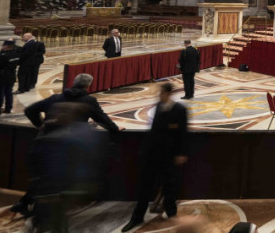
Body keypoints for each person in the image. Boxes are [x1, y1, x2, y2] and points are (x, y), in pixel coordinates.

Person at [15, 73, 122, 218]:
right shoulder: (88, 101)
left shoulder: (56, 98)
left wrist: (40, 125)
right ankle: (42, 213)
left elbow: (29, 110)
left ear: (74, 82)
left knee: (45, 176)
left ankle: (25, 203)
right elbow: (103, 119)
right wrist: (115, 130)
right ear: (87, 86)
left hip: (46, 140)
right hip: (70, 145)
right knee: (63, 177)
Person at [122, 83, 188, 231]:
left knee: (170, 188)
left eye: (162, 93)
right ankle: (137, 218)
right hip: (152, 155)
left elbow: (183, 134)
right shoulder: (158, 106)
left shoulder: (179, 110)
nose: (159, 95)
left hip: (170, 156)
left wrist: (181, 154)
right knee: (145, 188)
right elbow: (153, 132)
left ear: (168, 94)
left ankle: (172, 216)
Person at [0, 39, 21, 115]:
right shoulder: (16, 54)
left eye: (4, 45)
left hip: (3, 76)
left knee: (1, 94)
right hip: (12, 75)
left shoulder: (4, 56)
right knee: (9, 93)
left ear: (7, 46)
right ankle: (8, 108)